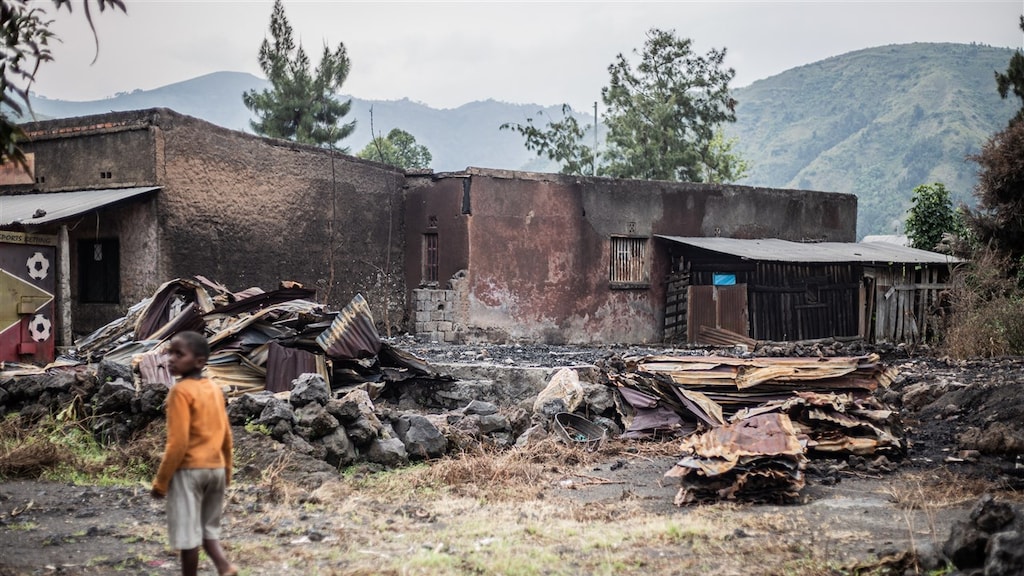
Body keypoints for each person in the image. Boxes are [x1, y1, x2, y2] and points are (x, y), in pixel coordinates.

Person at [151, 331, 238, 576]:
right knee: (208, 529)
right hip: (216, 470)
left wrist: (161, 482)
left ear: (199, 361)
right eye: (169, 353)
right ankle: (224, 566)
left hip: (190, 471)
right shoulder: (214, 389)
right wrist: (227, 471)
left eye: (179, 354)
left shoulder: (180, 392)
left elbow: (177, 443)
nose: (171, 359)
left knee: (188, 536)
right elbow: (226, 435)